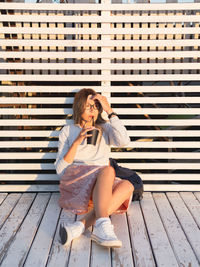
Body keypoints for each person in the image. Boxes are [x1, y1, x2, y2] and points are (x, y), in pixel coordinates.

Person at [54, 88, 134, 248]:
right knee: (108, 170)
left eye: (96, 106)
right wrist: (77, 142)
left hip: (98, 191)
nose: (93, 110)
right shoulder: (68, 131)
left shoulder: (105, 129)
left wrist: (110, 111)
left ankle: (79, 227)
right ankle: (102, 226)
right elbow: (60, 171)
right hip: (78, 184)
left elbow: (125, 141)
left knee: (128, 186)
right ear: (78, 107)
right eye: (88, 106)